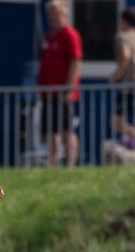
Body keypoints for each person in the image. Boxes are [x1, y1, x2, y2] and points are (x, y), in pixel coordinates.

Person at [37, 0, 83, 166]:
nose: (53, 17)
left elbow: (75, 62)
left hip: (63, 92)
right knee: (52, 131)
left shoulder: (70, 34)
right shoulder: (50, 36)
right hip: (48, 92)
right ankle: (53, 165)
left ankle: (70, 165)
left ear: (65, 14)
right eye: (50, 14)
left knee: (66, 130)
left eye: (57, 13)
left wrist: (69, 89)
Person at [109, 8, 135, 147]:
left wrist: (116, 75)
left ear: (124, 21)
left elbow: (125, 55)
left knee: (115, 121)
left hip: (129, 84)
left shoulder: (123, 36)